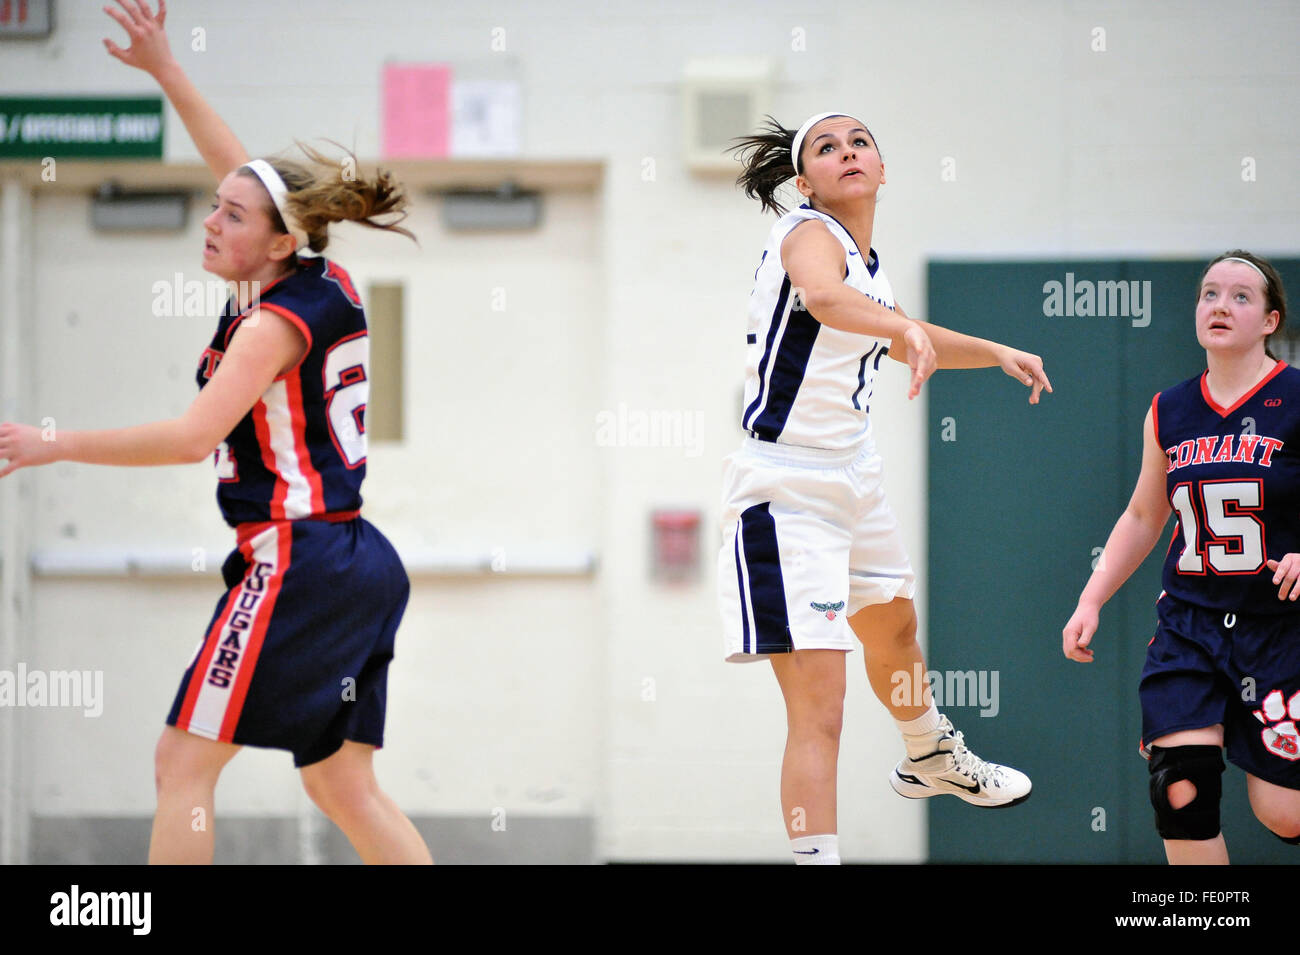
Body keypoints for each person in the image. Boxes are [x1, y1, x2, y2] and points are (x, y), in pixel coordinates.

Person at [0, 0, 431, 864]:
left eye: (232, 216)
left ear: (275, 243)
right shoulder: (317, 271)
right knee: (343, 784)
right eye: (216, 206)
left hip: (300, 558)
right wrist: (166, 70)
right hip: (354, 559)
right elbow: (238, 165)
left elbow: (193, 438)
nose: (213, 219)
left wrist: (54, 441)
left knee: (181, 762)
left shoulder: (272, 323)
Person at [720, 112, 1050, 865]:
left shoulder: (869, 263)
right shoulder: (809, 235)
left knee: (894, 632)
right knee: (821, 707)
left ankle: (929, 753)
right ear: (804, 183)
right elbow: (824, 301)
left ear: (882, 166)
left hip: (853, 476)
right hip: (787, 487)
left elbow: (901, 325)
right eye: (827, 148)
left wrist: (995, 350)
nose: (847, 152)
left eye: (859, 141)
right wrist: (904, 334)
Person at [1063, 250, 1300, 865]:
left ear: (1271, 320)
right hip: (1189, 627)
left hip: (1280, 631)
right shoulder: (1169, 409)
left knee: (1282, 810)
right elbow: (1145, 514)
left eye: (1241, 296)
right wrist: (1092, 599)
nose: (1220, 305)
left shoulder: (1297, 398)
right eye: (1209, 293)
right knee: (1180, 791)